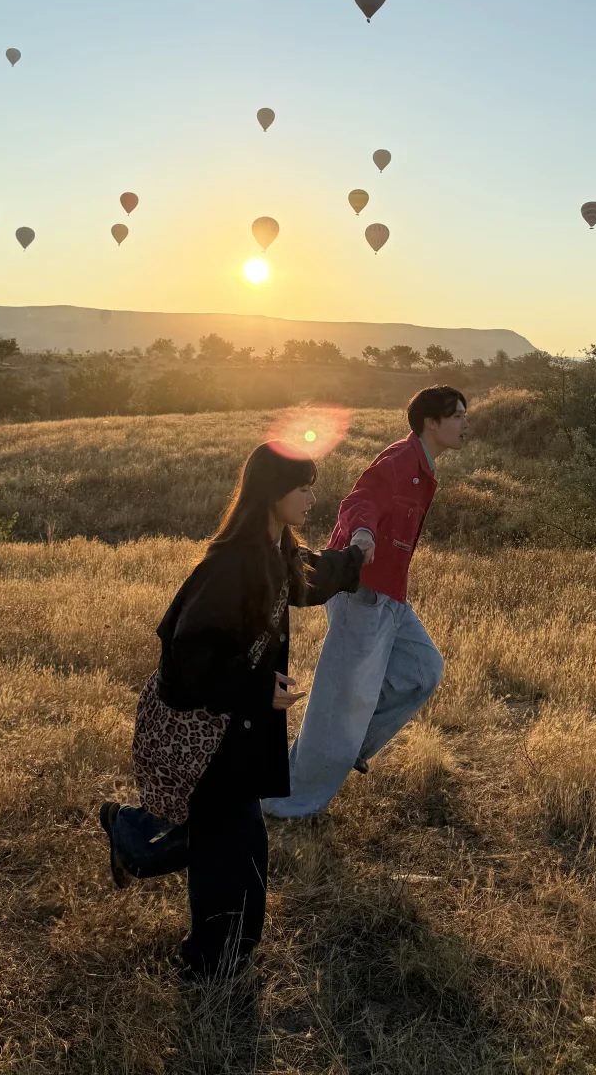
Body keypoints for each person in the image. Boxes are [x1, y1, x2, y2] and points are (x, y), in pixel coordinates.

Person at [98, 443, 365, 981]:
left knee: (224, 839)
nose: (313, 496)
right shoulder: (231, 565)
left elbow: (309, 579)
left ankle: (130, 835)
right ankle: (209, 967)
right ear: (273, 493)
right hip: (203, 731)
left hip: (231, 729)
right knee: (234, 850)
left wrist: (354, 560)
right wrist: (256, 687)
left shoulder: (274, 550)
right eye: (304, 487)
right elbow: (188, 653)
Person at [262, 386, 468, 820]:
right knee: (338, 703)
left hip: (390, 595)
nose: (465, 424)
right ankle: (285, 805)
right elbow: (360, 500)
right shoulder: (399, 460)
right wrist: (363, 534)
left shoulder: (425, 469)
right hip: (362, 594)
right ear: (431, 422)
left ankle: (349, 744)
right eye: (458, 416)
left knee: (423, 670)